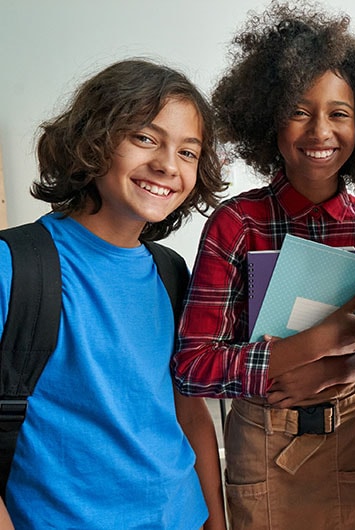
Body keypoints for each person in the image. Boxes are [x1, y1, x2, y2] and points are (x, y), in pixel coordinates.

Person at [171, 3, 355, 529]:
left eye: (339, 113)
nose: (320, 131)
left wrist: (340, 369)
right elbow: (193, 367)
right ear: (268, 120)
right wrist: (311, 347)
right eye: (299, 111)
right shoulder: (236, 224)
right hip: (262, 449)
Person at [0, 58, 227, 529]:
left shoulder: (171, 272)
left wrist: (215, 522)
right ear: (94, 139)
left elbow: (189, 412)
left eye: (188, 152)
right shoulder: (15, 266)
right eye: (144, 138)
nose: (166, 165)